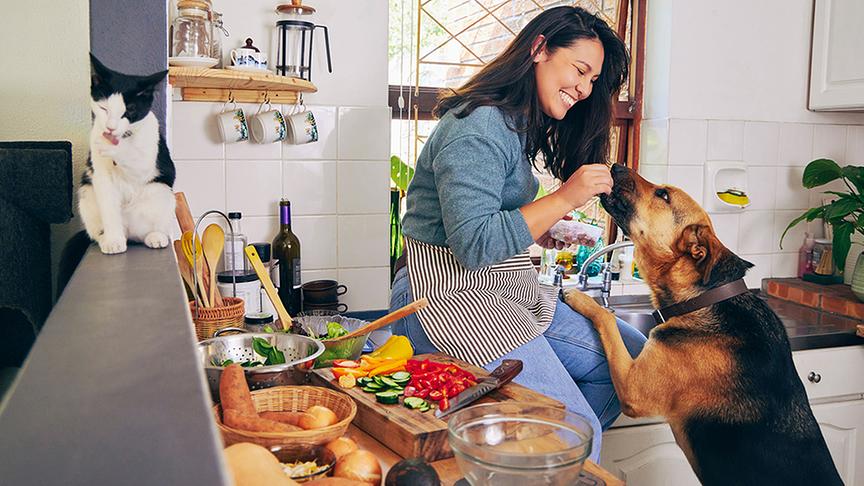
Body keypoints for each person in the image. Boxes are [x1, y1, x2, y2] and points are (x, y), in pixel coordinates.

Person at [388, 6, 646, 459]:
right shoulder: (478, 125)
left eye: (592, 81)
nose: (584, 90)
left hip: (498, 288)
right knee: (575, 433)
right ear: (540, 49)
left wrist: (546, 226)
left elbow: (488, 217)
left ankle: (519, 456)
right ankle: (528, 455)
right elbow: (474, 244)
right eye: (580, 71)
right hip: (449, 298)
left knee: (632, 361)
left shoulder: (512, 122)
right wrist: (565, 197)